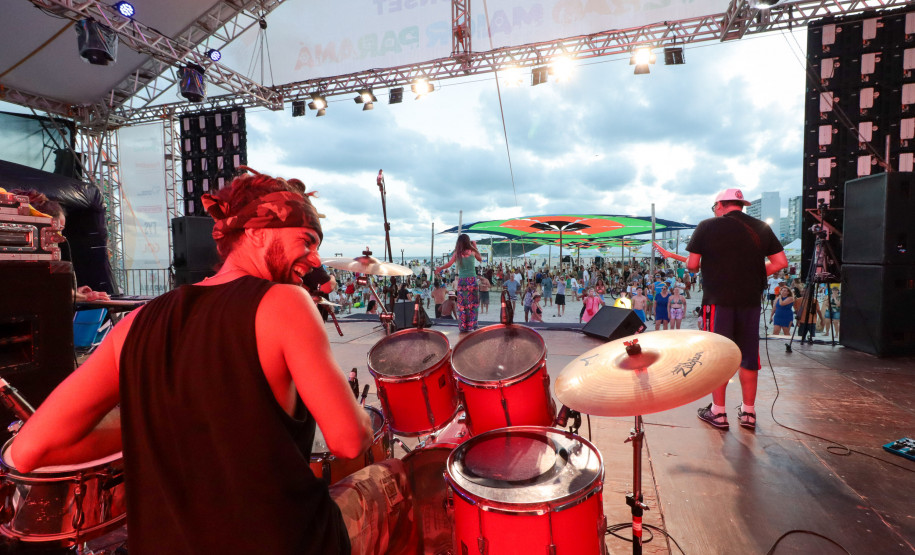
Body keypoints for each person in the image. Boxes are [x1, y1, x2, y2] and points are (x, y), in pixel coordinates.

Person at [10, 168, 412, 555]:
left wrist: (155, 424)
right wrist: (358, 413)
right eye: (306, 241)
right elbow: (348, 440)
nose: (315, 259)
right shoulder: (286, 302)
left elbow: (27, 451)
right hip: (283, 542)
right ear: (255, 233)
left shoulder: (134, 322)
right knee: (398, 476)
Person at [687, 188, 787, 431]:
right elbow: (780, 262)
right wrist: (751, 276)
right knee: (749, 357)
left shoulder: (707, 226)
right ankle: (749, 412)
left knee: (718, 355)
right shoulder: (761, 227)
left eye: (715, 207)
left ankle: (718, 412)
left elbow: (692, 265)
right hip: (750, 302)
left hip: (717, 301)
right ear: (741, 205)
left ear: (720, 205)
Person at [435, 234, 483, 332]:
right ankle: (473, 325)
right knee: (473, 303)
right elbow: (480, 259)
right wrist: (474, 245)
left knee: (462, 304)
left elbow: (449, 264)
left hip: (462, 281)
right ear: (468, 241)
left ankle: (463, 326)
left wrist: (440, 268)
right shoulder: (472, 251)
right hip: (472, 281)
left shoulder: (457, 253)